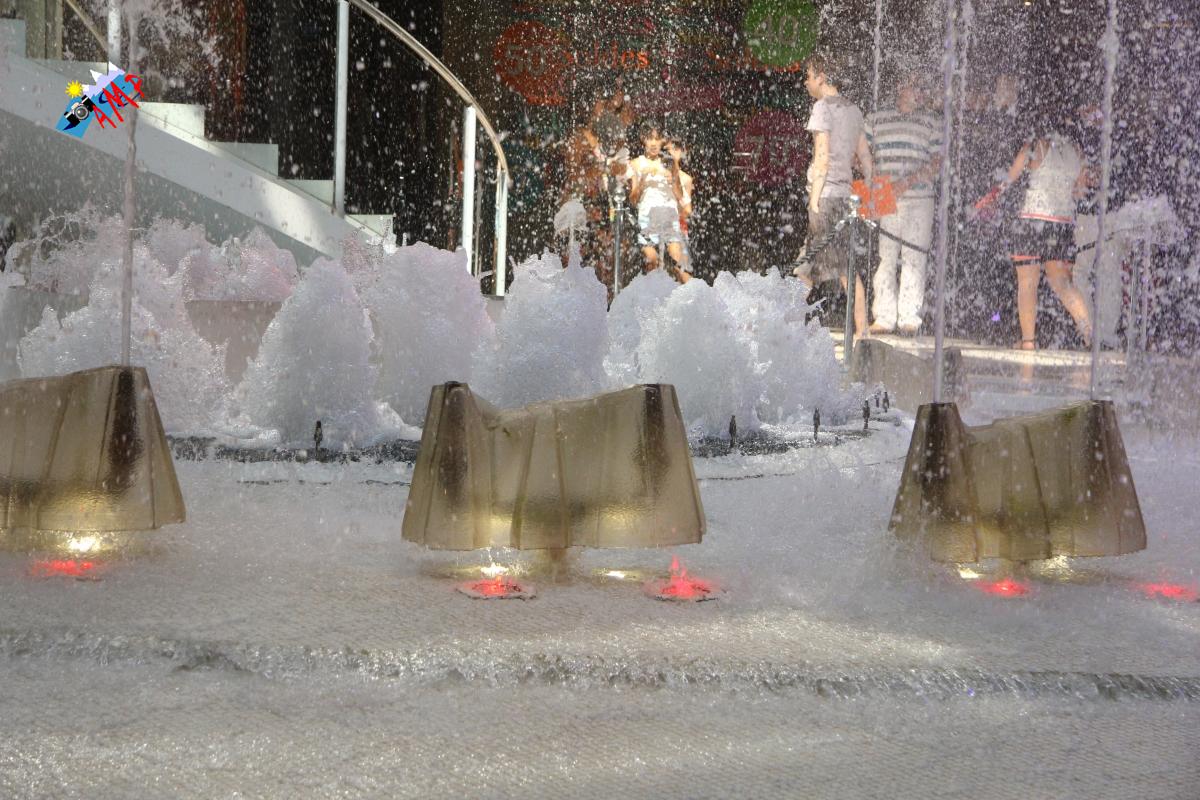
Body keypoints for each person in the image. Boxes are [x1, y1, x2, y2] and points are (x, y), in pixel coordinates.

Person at [974, 102, 1094, 350]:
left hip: (1032, 222)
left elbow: (1009, 179)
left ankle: (1028, 341)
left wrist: (990, 198)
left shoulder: (1035, 146)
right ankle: (1088, 333)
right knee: (1063, 284)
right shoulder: (1077, 152)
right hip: (1061, 225)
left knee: (1028, 283)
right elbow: (1080, 191)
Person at [793, 53, 873, 337]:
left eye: (808, 76)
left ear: (821, 77)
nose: (805, 82)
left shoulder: (821, 108)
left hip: (826, 197)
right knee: (824, 266)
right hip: (844, 197)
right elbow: (865, 158)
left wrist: (814, 199)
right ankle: (862, 332)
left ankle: (784, 327)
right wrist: (868, 193)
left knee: (826, 267)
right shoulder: (854, 111)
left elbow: (822, 156)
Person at [864, 74, 942, 334]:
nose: (920, 92)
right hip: (885, 196)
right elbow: (861, 152)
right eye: (915, 86)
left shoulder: (931, 121)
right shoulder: (877, 119)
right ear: (900, 86)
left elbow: (937, 162)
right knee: (885, 257)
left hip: (920, 199)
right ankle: (884, 316)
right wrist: (873, 178)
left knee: (914, 257)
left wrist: (906, 182)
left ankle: (910, 317)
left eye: (922, 87)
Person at [628, 123, 692, 282]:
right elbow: (633, 200)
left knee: (678, 263)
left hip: (669, 215)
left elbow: (680, 195)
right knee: (652, 262)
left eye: (657, 139)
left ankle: (694, 293)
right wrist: (642, 182)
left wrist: (673, 180)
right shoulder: (636, 164)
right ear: (643, 139)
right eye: (650, 139)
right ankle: (658, 295)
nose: (654, 143)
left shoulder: (669, 161)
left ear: (662, 140)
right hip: (647, 217)